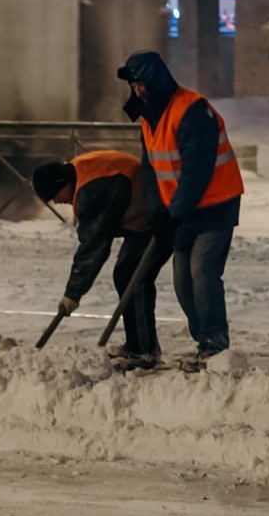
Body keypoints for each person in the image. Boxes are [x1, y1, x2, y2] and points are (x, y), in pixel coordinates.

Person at [117, 50, 244, 368]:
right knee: (182, 281)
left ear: (154, 81)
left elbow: (196, 171)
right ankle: (204, 341)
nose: (137, 91)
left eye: (140, 84)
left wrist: (174, 212)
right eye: (133, 86)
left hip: (215, 206)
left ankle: (215, 346)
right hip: (183, 210)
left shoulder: (192, 110)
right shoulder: (149, 118)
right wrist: (158, 210)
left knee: (203, 274)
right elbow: (151, 171)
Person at [32, 150, 171, 369]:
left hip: (158, 219)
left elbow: (94, 247)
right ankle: (137, 345)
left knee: (134, 278)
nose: (57, 202)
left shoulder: (93, 191)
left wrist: (73, 294)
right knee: (125, 274)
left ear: (62, 182)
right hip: (143, 218)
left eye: (55, 195)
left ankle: (145, 351)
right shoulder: (80, 172)